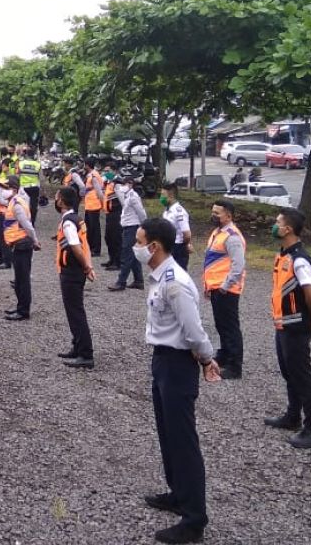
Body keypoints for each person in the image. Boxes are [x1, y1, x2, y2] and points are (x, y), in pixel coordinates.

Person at [137, 217, 221, 545]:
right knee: (168, 435)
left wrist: (206, 359)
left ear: (154, 247)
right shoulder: (160, 277)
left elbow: (194, 331)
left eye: (140, 241)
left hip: (178, 365)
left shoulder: (175, 282)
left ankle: (194, 519)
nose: (137, 246)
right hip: (162, 361)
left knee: (183, 442)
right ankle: (178, 493)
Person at [264, 207, 311, 449]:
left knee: (302, 376)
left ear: (288, 229)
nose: (274, 225)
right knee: (289, 372)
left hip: (295, 325)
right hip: (283, 324)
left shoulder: (299, 260)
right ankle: (292, 415)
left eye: (277, 222)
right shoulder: (284, 256)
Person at [201, 199, 245, 380]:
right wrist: (208, 286)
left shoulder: (232, 236)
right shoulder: (218, 233)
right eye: (213, 211)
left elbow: (238, 265)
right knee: (221, 325)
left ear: (229, 215)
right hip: (216, 287)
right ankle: (225, 355)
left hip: (226, 289)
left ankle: (235, 366)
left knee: (230, 327)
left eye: (217, 213)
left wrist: (225, 286)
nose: (214, 215)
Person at [54, 186, 96, 369]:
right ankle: (78, 346)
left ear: (62, 201)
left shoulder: (69, 223)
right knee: (73, 312)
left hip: (72, 271)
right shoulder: (75, 219)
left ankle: (86, 354)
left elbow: (76, 246)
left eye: (57, 197)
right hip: (75, 270)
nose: (55, 200)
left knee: (76, 312)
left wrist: (87, 267)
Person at [1, 174, 38, 321]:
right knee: (18, 279)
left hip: (22, 243)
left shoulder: (17, 204)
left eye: (7, 188)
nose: (4, 190)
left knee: (22, 280)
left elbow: (27, 225)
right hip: (17, 243)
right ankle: (20, 307)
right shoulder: (13, 202)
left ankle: (23, 311)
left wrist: (35, 240)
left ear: (14, 189)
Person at [109, 176, 147, 291]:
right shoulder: (127, 195)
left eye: (124, 184)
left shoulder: (133, 196)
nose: (122, 186)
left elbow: (141, 212)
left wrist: (143, 225)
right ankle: (138, 280)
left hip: (132, 227)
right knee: (133, 255)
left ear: (130, 184)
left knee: (126, 255)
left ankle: (121, 282)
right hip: (128, 227)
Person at [161, 182, 192, 269]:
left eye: (163, 195)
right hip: (168, 245)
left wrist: (185, 245)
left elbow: (187, 234)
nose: (161, 198)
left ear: (171, 196)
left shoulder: (179, 212)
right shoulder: (167, 211)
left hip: (177, 247)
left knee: (179, 273)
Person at [82, 157, 106, 259]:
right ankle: (90, 247)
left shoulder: (94, 176)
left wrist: (103, 205)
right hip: (89, 205)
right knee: (89, 228)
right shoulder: (90, 175)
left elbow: (99, 192)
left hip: (94, 205)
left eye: (84, 164)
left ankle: (96, 249)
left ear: (87, 165)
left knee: (94, 228)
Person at [101, 159, 122, 269]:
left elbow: (122, 200)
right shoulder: (108, 182)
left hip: (116, 213)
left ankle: (117, 262)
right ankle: (112, 258)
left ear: (114, 171)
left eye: (108, 171)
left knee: (115, 238)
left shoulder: (118, 183)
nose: (106, 173)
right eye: (105, 171)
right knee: (108, 237)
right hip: (109, 213)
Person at [18, 147, 43, 227]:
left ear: (26, 154)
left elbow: (17, 175)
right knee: (33, 206)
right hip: (34, 187)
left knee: (22, 205)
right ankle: (32, 222)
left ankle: (23, 222)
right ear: (34, 155)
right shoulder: (37, 164)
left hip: (23, 187)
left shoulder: (21, 163)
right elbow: (41, 178)